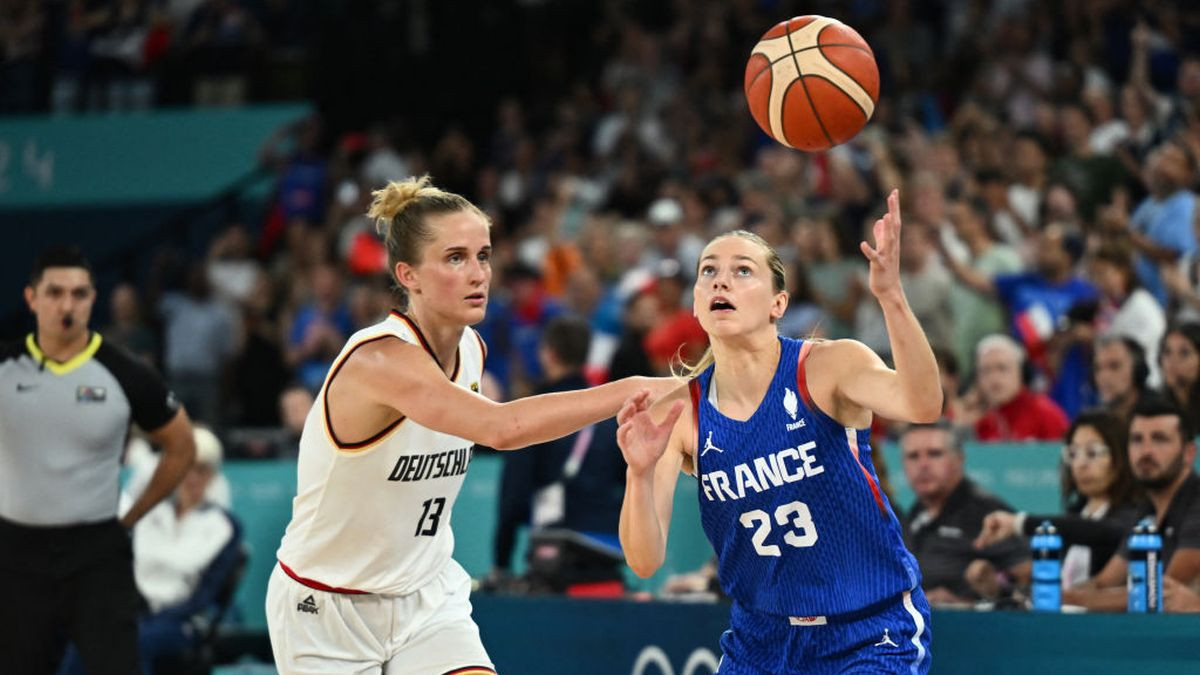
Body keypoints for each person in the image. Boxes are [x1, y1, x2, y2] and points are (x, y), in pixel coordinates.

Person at [265, 176, 674, 674]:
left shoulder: (470, 350)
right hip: (329, 608)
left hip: (425, 598)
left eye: (483, 255)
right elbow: (503, 429)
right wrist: (629, 387)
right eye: (455, 258)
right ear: (408, 275)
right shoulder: (380, 360)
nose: (478, 273)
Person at [616, 191, 940, 673]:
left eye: (742, 270)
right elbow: (644, 561)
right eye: (708, 270)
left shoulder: (828, 366)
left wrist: (891, 298)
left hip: (870, 630)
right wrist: (639, 475)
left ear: (778, 303)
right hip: (761, 640)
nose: (721, 278)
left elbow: (923, 404)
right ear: (698, 302)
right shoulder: (680, 411)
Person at [0, 245, 196, 675]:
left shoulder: (126, 373)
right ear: (32, 298)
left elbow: (183, 446)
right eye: (54, 293)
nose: (66, 305)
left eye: (79, 293)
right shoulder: (5, 368)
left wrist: (133, 515)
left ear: (92, 298)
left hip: (96, 555)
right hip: (15, 554)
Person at [60, 425, 243, 675]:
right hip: (135, 610)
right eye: (187, 467)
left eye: (201, 470)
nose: (192, 478)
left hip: (182, 622)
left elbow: (207, 593)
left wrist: (162, 616)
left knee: (135, 642)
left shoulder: (225, 526)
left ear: (212, 476)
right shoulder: (150, 513)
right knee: (82, 637)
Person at [490, 315, 629, 592]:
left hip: (554, 567)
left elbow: (513, 498)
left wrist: (501, 567)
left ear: (549, 354)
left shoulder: (533, 413)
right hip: (609, 561)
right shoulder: (610, 411)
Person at [1062, 395, 1200, 612]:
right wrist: (1065, 594)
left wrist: (1066, 598)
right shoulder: (1146, 509)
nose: (1145, 451)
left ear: (1189, 453)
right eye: (1137, 439)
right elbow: (1103, 583)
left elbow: (1161, 593)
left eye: (1159, 439)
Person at [974, 410, 1142, 588]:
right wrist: (1000, 585)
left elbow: (1096, 532)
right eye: (1073, 453)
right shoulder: (1075, 514)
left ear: (1122, 456)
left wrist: (1019, 523)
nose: (1080, 464)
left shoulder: (1135, 513)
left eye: (1092, 452)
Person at [899, 420, 1031, 606]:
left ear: (958, 458)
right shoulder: (915, 513)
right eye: (913, 456)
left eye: (934, 454)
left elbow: (1031, 581)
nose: (923, 465)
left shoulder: (987, 515)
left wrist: (967, 604)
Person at [970, 334, 1069, 441]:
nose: (994, 378)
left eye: (1002, 368)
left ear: (1020, 372)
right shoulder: (979, 425)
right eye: (986, 371)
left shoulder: (1046, 414)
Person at [1091, 335, 1150, 421]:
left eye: (1114, 366)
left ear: (1137, 369)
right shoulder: (1094, 420)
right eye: (1098, 368)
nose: (1104, 376)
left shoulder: (1160, 415)